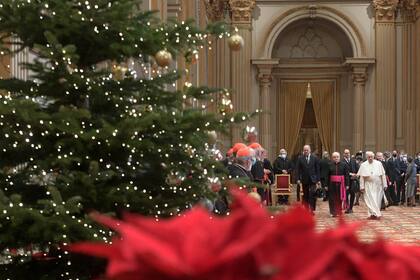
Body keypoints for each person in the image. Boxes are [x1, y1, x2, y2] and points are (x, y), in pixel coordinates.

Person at [357, 151, 387, 220]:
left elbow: (383, 175)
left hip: (378, 185)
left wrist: (385, 184)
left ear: (374, 157)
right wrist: (362, 186)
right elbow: (361, 177)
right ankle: (373, 214)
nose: (370, 158)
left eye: (371, 157)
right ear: (366, 157)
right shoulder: (363, 165)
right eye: (369, 157)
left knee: (377, 200)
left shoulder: (379, 164)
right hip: (368, 185)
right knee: (369, 200)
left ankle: (376, 213)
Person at [296, 145, 321, 214]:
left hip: (313, 180)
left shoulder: (315, 158)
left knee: (312, 194)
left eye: (307, 150)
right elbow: (298, 170)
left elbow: (317, 169)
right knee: (306, 195)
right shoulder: (300, 158)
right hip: (304, 180)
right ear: (303, 151)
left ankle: (312, 209)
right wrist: (298, 178)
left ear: (310, 150)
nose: (306, 151)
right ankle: (306, 210)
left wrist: (318, 180)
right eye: (304, 150)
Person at [327, 152, 350, 217]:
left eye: (337, 157)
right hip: (331, 184)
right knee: (332, 198)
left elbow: (346, 175)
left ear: (339, 157)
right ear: (332, 158)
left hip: (341, 184)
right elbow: (327, 175)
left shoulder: (344, 164)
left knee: (339, 198)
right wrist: (325, 185)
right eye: (334, 157)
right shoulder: (329, 164)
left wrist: (347, 184)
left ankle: (338, 211)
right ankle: (332, 212)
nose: (336, 158)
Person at [342, 149, 359, 213]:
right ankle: (347, 208)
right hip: (345, 181)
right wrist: (350, 174)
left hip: (353, 181)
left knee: (352, 194)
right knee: (346, 195)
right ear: (344, 154)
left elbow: (357, 169)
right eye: (346, 153)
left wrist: (356, 175)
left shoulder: (353, 161)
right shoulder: (342, 161)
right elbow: (342, 172)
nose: (347, 154)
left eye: (348, 153)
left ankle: (351, 208)